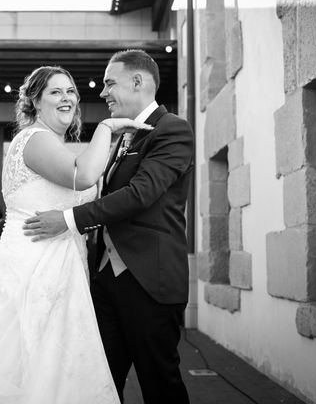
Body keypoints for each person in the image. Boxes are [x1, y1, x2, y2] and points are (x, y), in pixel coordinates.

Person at [0, 65, 150, 404]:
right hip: (35, 264)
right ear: (35, 102)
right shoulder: (34, 138)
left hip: (56, 262)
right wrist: (106, 127)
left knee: (51, 362)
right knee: (30, 359)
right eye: (56, 92)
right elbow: (84, 176)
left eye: (71, 91)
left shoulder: (55, 144)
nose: (67, 98)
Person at [23, 51, 194, 403]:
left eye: (109, 83)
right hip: (105, 283)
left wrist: (68, 220)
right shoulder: (123, 136)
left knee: (160, 385)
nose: (102, 93)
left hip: (149, 282)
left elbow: (140, 194)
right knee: (97, 384)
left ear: (138, 82)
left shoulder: (172, 129)